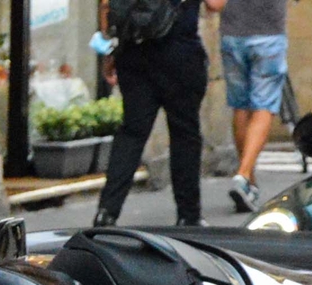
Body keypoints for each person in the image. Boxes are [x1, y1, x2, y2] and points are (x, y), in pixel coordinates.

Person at [95, 0, 223, 229]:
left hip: (132, 53)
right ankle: (188, 214)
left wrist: (110, 52)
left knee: (132, 133)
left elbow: (107, 5)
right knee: (185, 134)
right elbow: (215, 4)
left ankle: (107, 211)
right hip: (180, 52)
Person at [218, 0, 289, 213]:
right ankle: (244, 174)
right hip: (268, 34)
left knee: (240, 107)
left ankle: (249, 181)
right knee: (264, 106)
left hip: (233, 34)